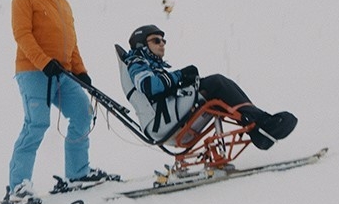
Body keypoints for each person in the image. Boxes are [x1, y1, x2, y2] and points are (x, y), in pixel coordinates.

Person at [2, 0, 114, 204]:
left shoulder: (63, 4)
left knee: (83, 114)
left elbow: (71, 43)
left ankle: (77, 173)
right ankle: (18, 186)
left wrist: (80, 70)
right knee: (37, 124)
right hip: (33, 72)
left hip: (62, 72)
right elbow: (22, 35)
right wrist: (43, 62)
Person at [122, 24, 296, 150]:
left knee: (218, 85)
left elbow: (161, 85)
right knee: (216, 83)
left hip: (167, 113)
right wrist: (180, 75)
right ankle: (261, 124)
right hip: (162, 120)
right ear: (141, 45)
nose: (162, 44)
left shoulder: (150, 65)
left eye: (164, 41)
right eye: (156, 40)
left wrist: (184, 80)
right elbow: (149, 86)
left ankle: (259, 124)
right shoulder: (136, 62)